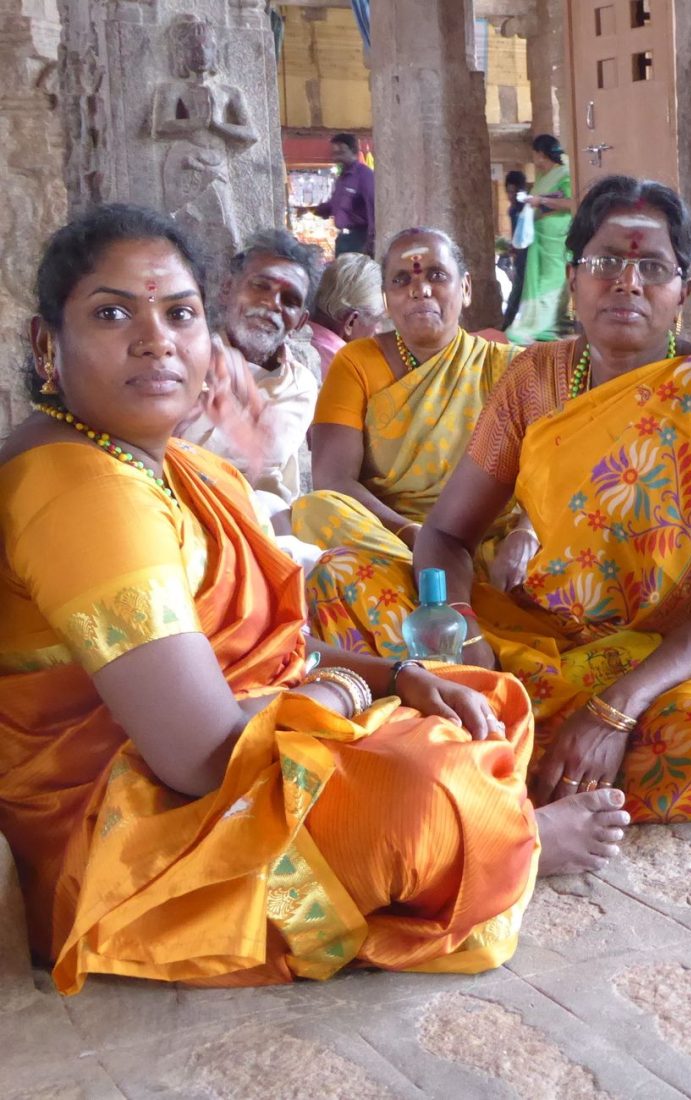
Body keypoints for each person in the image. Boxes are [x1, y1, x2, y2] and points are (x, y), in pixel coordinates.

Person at [0, 204, 629, 995]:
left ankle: (473, 816)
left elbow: (252, 654)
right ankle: (512, 842)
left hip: (212, 743)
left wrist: (392, 673)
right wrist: (346, 691)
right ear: (43, 344)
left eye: (180, 313)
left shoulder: (169, 468)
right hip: (120, 831)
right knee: (421, 798)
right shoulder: (78, 487)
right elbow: (204, 761)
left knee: (478, 696)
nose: (155, 338)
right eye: (112, 312)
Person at [308, 176, 691, 823]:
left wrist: (616, 708)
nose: (626, 282)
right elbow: (447, 534)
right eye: (605, 262)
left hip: (659, 659)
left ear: (684, 290)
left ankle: (472, 751)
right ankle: (492, 739)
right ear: (572, 279)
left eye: (651, 266)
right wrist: (461, 627)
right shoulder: (533, 378)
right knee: (341, 576)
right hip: (527, 639)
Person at [292, 226, 538, 638]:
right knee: (314, 510)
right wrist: (416, 537)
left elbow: (549, 466)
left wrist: (526, 533)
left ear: (466, 288)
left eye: (436, 276)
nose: (420, 290)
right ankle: (438, 616)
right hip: (393, 542)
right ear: (387, 298)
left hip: (490, 544)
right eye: (402, 280)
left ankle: (425, 620)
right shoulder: (358, 362)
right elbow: (332, 480)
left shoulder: (509, 366)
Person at [176, 229, 322, 507]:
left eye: (289, 300)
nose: (271, 304)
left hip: (260, 515)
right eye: (260, 286)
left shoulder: (298, 384)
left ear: (300, 322)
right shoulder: (184, 356)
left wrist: (215, 406)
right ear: (227, 291)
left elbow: (262, 454)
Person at [504, 134, 573, 345]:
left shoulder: (564, 175)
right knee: (537, 281)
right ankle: (541, 323)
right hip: (540, 238)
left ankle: (546, 324)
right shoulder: (545, 177)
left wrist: (540, 200)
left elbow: (570, 202)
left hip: (555, 237)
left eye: (536, 155)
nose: (535, 160)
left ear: (542, 155)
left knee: (550, 281)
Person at [309, 253, 389, 377]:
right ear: (351, 322)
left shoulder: (289, 338)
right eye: (377, 320)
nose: (379, 330)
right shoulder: (348, 369)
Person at [307, 133, 376, 257]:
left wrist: (371, 242)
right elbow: (333, 205)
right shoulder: (342, 178)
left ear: (353, 151)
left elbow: (372, 207)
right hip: (344, 239)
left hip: (360, 239)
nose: (336, 154)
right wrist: (311, 209)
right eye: (334, 150)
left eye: (341, 150)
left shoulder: (364, 175)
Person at [502, 169, 530, 330]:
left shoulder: (526, 208)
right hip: (519, 253)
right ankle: (508, 322)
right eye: (509, 191)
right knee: (518, 286)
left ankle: (507, 323)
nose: (511, 195)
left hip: (528, 252)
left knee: (519, 287)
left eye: (515, 191)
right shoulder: (512, 209)